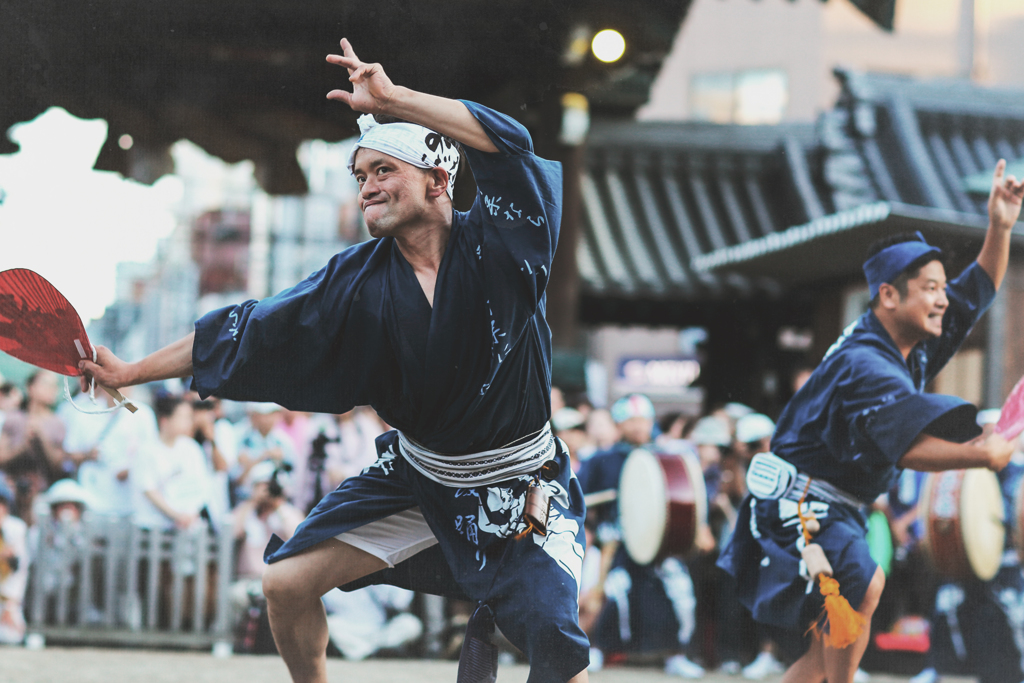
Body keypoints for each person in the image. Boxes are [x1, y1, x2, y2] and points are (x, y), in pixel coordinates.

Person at [78, 37, 587, 683]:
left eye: (384, 171)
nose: (367, 188)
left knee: (555, 644)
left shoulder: (505, 245)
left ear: (438, 180)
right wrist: (128, 373)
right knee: (286, 582)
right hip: (421, 475)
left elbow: (508, 144)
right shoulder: (352, 281)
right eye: (361, 175)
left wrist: (397, 99)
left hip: (518, 482)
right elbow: (243, 331)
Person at [717, 160, 1024, 683]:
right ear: (889, 296)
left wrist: (999, 225)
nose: (943, 299)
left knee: (820, 655)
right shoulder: (867, 364)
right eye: (929, 288)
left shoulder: (906, 340)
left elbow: (978, 290)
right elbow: (903, 446)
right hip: (801, 505)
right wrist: (981, 454)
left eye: (941, 287)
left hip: (831, 505)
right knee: (864, 579)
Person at [577, 394, 704, 678]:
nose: (638, 426)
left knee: (679, 594)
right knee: (612, 593)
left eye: (643, 420)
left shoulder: (664, 457)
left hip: (659, 542)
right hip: (614, 544)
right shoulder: (601, 461)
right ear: (619, 424)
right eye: (631, 420)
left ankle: (677, 654)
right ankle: (596, 649)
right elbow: (581, 503)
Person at [62, 388, 158, 518]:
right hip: (92, 496)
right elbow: (69, 453)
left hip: (130, 502)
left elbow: (153, 454)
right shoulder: (85, 412)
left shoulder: (142, 413)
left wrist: (130, 469)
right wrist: (87, 455)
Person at [130, 395, 211, 532]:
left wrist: (190, 513)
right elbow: (149, 489)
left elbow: (201, 485)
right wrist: (176, 516)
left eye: (189, 417)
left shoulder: (192, 448)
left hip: (186, 527)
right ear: (164, 420)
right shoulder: (147, 449)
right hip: (152, 528)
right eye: (183, 417)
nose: (189, 422)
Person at [0, 371, 67, 524]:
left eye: (54, 386)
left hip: (42, 496)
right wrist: (24, 445)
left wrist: (41, 439)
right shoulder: (14, 419)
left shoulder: (57, 423)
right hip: (11, 494)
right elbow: (2, 458)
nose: (51, 389)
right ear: (30, 387)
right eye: (46, 384)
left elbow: (59, 466)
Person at [0, 477, 28, 644]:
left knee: (11, 636)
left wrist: (10, 606)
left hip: (4, 598)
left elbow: (20, 571)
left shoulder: (16, 529)